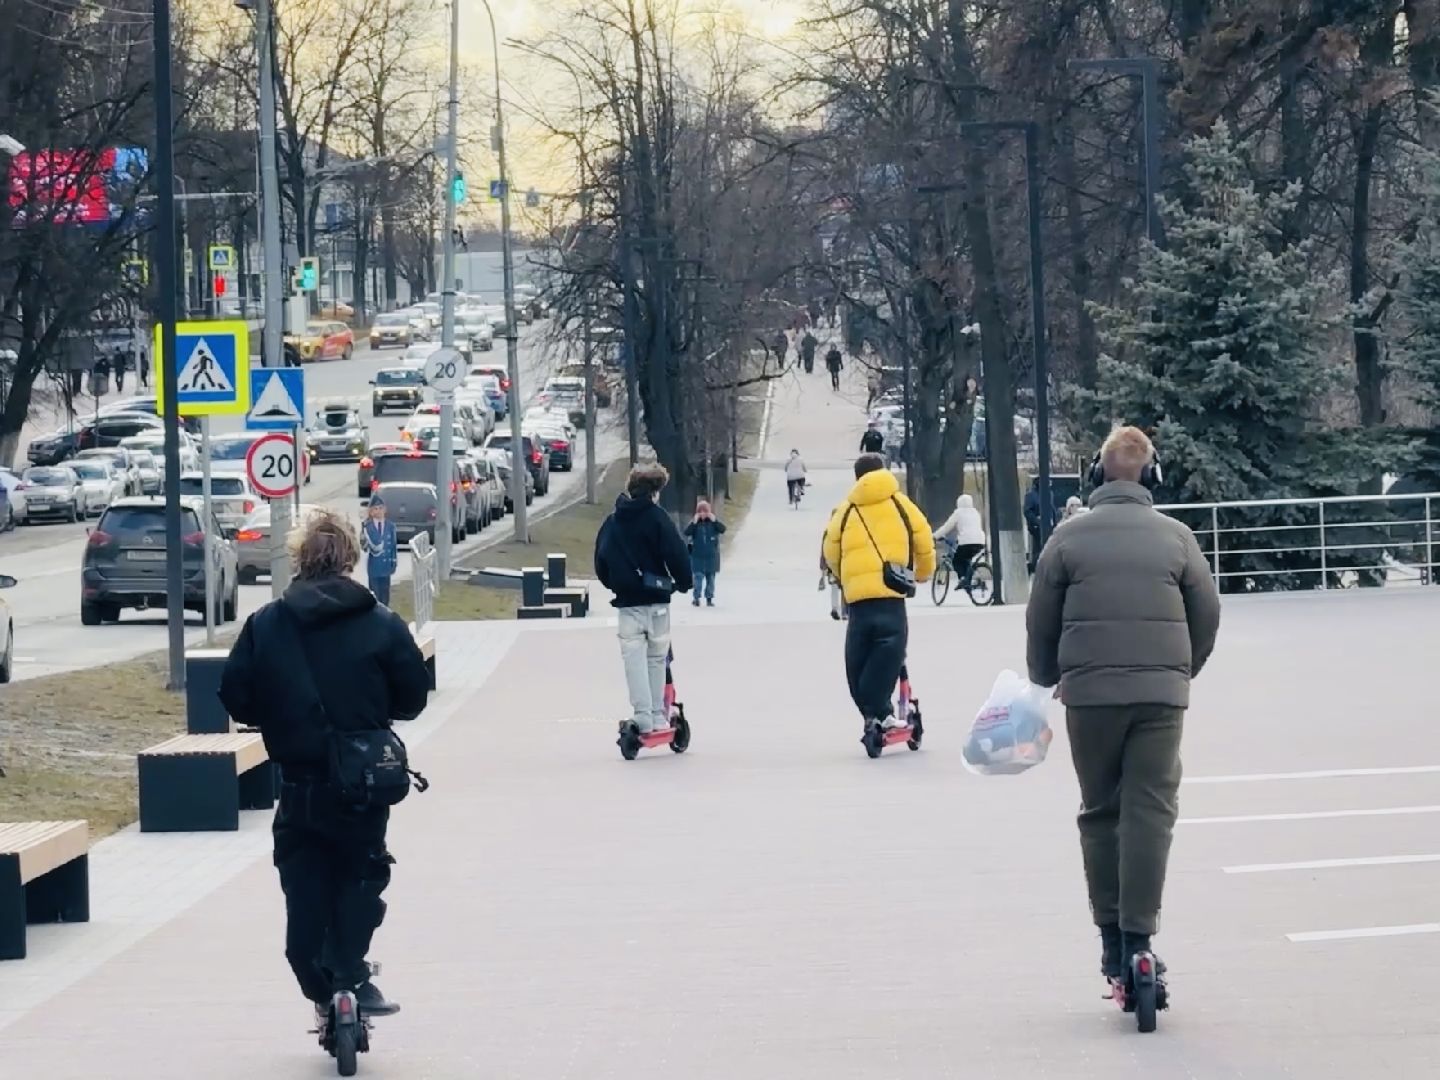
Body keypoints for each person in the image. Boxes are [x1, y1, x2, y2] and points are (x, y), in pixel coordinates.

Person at [1024, 426, 1221, 990]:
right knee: (1150, 812)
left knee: (1101, 811)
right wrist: (1181, 671)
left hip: (1089, 698)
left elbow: (1040, 620)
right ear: (1152, 477)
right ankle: (1141, 940)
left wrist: (1047, 678)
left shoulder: (1066, 540)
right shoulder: (1178, 537)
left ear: (1095, 475)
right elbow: (1206, 614)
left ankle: (1112, 947)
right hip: (1161, 699)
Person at [218, 510, 432, 1021]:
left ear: (298, 558)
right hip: (364, 783)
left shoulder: (266, 624)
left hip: (300, 782)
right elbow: (412, 696)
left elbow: (235, 695)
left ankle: (318, 981)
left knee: (303, 878)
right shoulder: (379, 621)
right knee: (362, 871)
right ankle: (352, 972)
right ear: (352, 559)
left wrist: (276, 712)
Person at [823, 453, 935, 732]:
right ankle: (878, 707)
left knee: (858, 654)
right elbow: (923, 538)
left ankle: (873, 709)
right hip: (891, 592)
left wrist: (843, 577)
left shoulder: (846, 509)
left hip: (859, 599)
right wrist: (922, 573)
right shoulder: (900, 503)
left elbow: (831, 550)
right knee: (890, 646)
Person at [594, 462, 694, 733]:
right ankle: (658, 715)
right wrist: (684, 582)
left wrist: (616, 584)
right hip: (657, 601)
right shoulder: (657, 517)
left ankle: (642, 716)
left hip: (628, 604)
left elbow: (601, 561)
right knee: (656, 658)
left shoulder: (613, 522)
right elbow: (676, 553)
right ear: (655, 491)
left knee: (633, 659)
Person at [931, 492, 986, 580]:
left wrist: (934, 536)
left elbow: (946, 527)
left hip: (966, 542)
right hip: (980, 541)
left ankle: (963, 579)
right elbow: (971, 529)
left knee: (956, 561)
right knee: (966, 559)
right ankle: (972, 578)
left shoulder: (958, 513)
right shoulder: (976, 512)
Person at [683, 499, 726, 607]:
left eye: (705, 511)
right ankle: (696, 598)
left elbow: (723, 529)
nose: (702, 514)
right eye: (700, 511)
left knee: (710, 579)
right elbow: (687, 532)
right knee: (698, 578)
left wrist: (715, 520)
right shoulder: (695, 525)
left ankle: (709, 598)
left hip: (711, 556)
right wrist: (694, 522)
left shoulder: (713, 524)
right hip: (697, 556)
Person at [362, 495, 398, 605]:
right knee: (375, 595)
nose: (379, 511)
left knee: (385, 595)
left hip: (386, 566)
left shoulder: (390, 526)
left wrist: (394, 562)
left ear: (385, 509)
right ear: (371, 511)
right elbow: (364, 547)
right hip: (374, 567)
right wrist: (363, 537)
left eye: (381, 508)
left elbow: (393, 546)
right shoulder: (368, 526)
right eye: (375, 509)